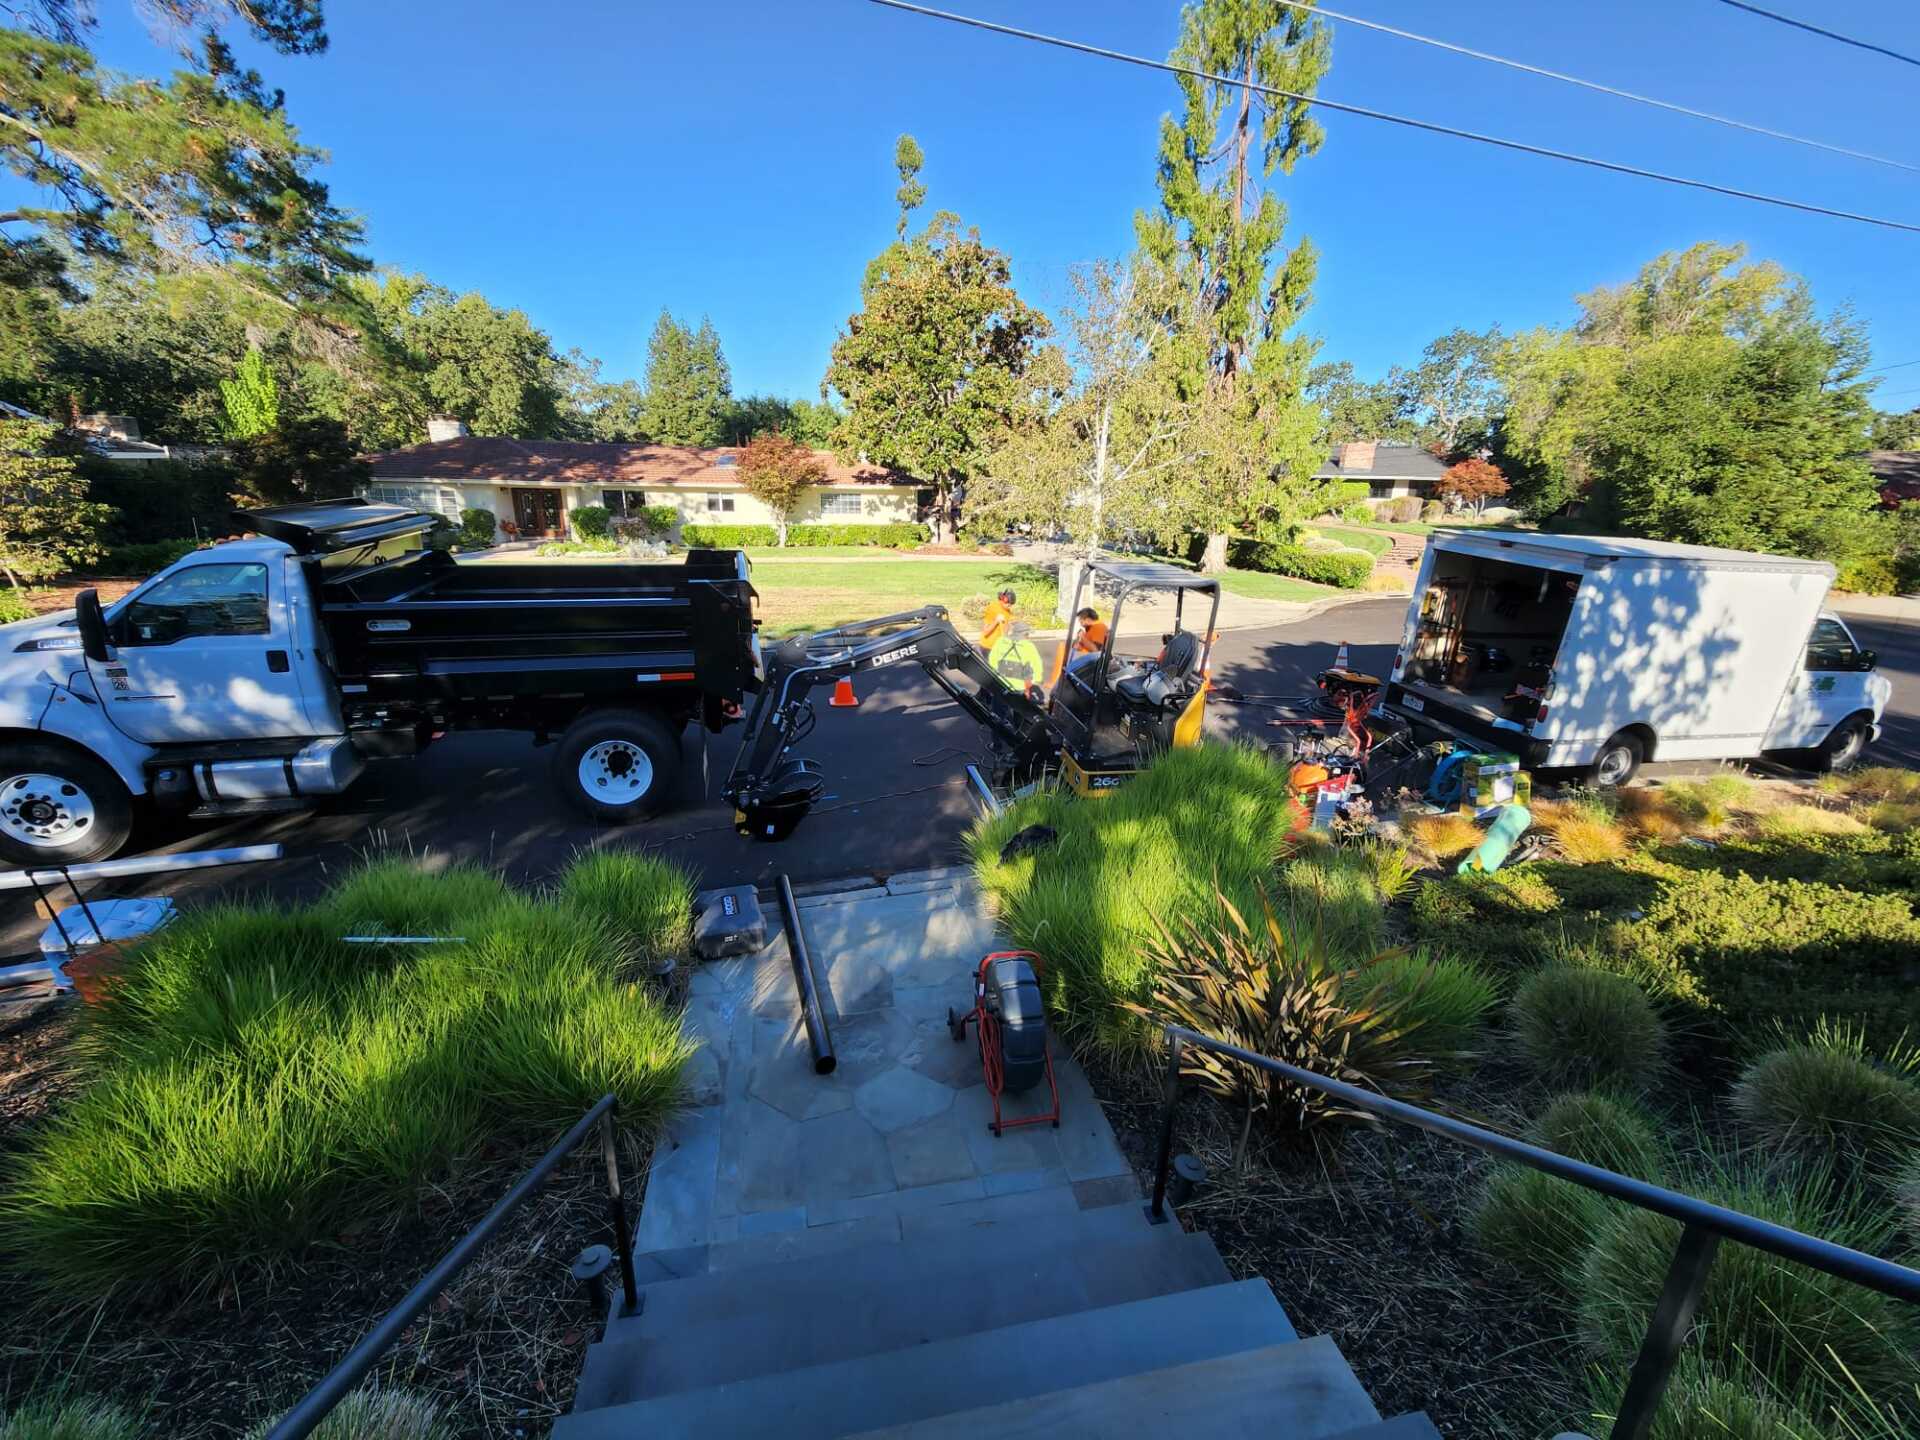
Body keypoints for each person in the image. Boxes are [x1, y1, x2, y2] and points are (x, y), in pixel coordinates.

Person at [988, 621, 1046, 698]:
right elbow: (1037, 666)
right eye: (1027, 634)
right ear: (1024, 634)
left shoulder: (1001, 641)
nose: (1028, 636)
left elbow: (992, 660)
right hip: (1019, 687)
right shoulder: (1028, 646)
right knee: (1018, 707)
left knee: (998, 708)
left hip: (1001, 683)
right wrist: (1036, 681)